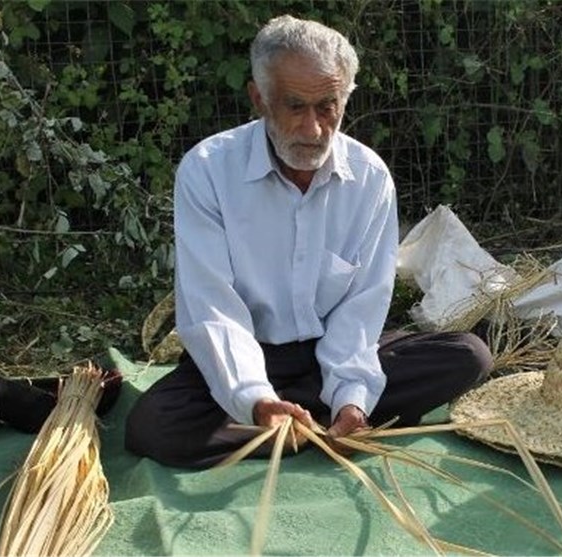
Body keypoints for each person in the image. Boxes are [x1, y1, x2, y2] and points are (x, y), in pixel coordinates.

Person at [124, 15, 493, 469]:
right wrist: (256, 399)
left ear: (345, 99)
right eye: (295, 106)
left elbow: (362, 309)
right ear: (259, 99)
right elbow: (212, 310)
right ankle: (288, 423)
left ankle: (307, 426)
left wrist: (352, 400)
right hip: (245, 351)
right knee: (154, 426)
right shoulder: (208, 171)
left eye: (327, 107)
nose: (314, 129)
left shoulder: (369, 178)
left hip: (327, 353)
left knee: (466, 356)